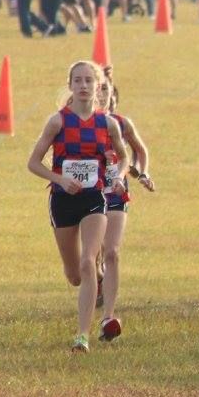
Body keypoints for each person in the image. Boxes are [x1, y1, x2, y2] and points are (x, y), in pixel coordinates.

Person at [26, 61, 126, 353]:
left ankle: (82, 335)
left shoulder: (107, 124)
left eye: (88, 81)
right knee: (74, 274)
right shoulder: (57, 121)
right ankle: (93, 284)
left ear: (97, 86)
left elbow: (123, 157)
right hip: (62, 201)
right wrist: (59, 178)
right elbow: (33, 163)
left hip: (94, 199)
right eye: (78, 81)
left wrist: (118, 177)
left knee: (88, 260)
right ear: (70, 85)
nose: (83, 86)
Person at [96, 68, 153, 343]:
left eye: (105, 89)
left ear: (112, 95)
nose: (100, 94)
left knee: (112, 252)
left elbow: (138, 153)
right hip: (85, 196)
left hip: (116, 193)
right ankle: (96, 279)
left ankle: (108, 316)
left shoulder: (121, 123)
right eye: (97, 89)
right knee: (92, 257)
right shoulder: (72, 124)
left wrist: (141, 173)